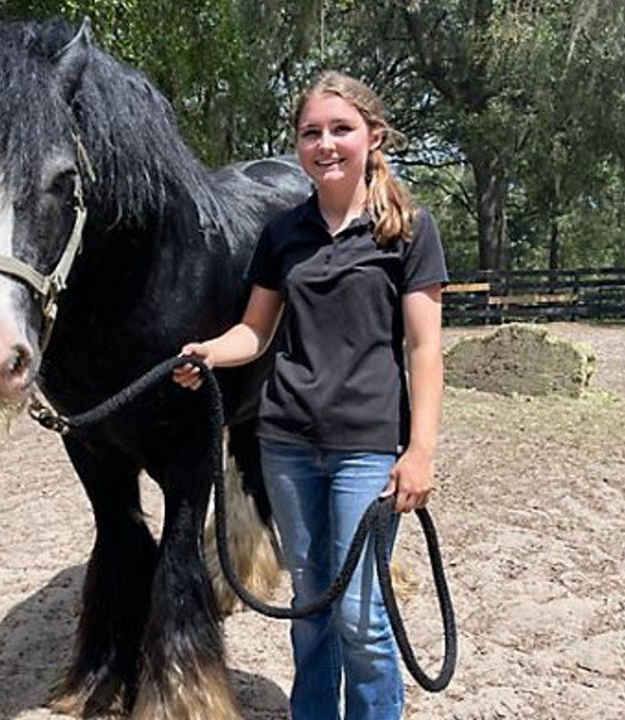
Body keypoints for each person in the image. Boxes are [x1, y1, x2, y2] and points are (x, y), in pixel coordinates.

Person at [173, 71, 447, 720]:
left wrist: (420, 452)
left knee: (362, 618)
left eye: (340, 130)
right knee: (310, 610)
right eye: (310, 132)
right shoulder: (282, 233)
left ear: (373, 137)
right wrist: (209, 351)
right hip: (287, 445)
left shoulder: (406, 230)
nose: (325, 144)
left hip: (367, 449)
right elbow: (254, 332)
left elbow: (424, 349)